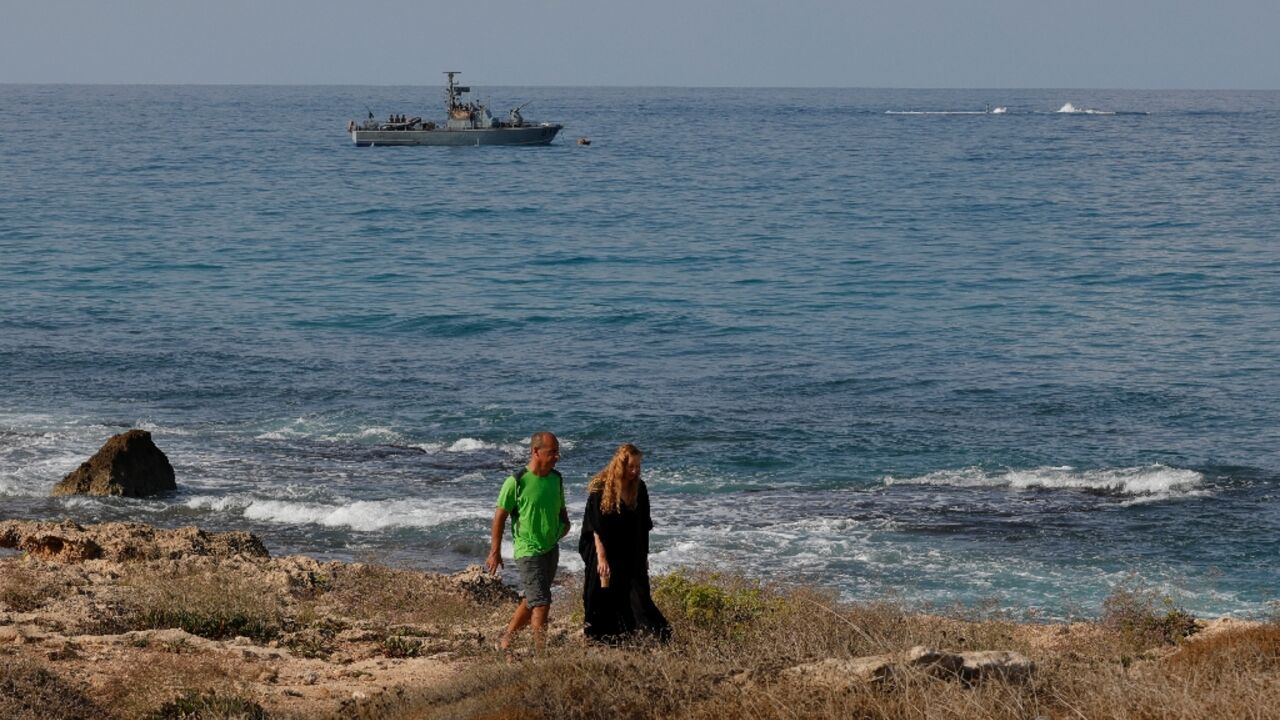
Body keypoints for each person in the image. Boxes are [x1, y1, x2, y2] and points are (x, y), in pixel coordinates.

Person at [485, 431, 570, 653]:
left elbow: (562, 513)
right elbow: (499, 517)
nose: (557, 457)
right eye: (552, 452)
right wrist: (495, 551)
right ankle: (540, 656)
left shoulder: (556, 479)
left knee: (533, 598)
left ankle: (505, 640)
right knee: (542, 602)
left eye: (557, 452)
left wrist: (563, 529)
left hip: (551, 548)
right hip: (527, 550)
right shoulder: (516, 481)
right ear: (535, 451)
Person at [578, 443, 671, 644]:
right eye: (631, 467)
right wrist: (602, 559)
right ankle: (601, 640)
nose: (635, 471)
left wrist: (643, 556)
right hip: (605, 549)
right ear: (620, 465)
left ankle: (649, 637)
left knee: (639, 597)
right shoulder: (601, 489)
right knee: (601, 597)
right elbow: (595, 528)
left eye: (638, 466)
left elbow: (643, 526)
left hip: (631, 551)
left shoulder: (640, 488)